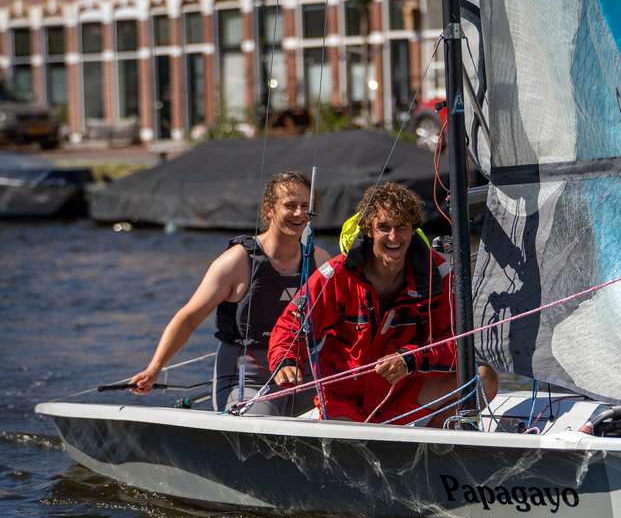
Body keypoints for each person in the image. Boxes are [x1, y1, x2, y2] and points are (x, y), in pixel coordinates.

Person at [269, 182, 483, 425]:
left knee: (483, 377)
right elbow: (290, 324)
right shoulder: (337, 273)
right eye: (384, 227)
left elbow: (462, 342)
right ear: (369, 230)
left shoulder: (438, 275)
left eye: (401, 227)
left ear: (413, 230)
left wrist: (411, 359)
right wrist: (287, 361)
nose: (393, 236)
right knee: (349, 442)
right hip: (344, 396)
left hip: (401, 391)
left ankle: (434, 443)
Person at [130, 171, 329, 413]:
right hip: (248, 379)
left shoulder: (320, 261)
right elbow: (189, 318)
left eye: (305, 206)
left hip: (302, 376)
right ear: (269, 209)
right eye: (290, 205)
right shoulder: (236, 262)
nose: (298, 213)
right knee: (262, 422)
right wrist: (154, 368)